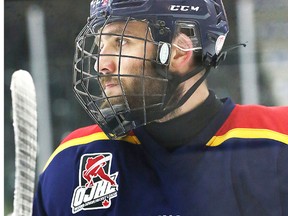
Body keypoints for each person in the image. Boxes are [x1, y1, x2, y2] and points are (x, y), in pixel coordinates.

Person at [33, 0, 288, 215]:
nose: (102, 64)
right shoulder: (72, 162)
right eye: (101, 46)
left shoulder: (278, 143)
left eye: (121, 43)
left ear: (179, 52)